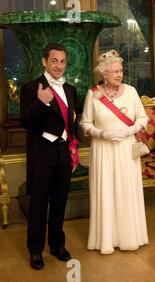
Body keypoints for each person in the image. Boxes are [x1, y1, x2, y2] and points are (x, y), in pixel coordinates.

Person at [80, 50, 149, 254]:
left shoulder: (131, 91)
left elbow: (143, 119)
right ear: (103, 74)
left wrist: (129, 130)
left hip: (126, 148)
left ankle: (130, 237)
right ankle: (107, 239)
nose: (119, 75)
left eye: (120, 71)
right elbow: (84, 123)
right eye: (114, 72)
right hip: (103, 151)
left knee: (126, 191)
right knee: (106, 192)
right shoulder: (93, 94)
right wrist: (101, 134)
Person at [20, 43, 76, 270]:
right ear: (44, 61)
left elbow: (71, 121)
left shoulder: (70, 89)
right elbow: (25, 121)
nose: (59, 66)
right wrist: (40, 102)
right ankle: (35, 250)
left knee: (60, 200)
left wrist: (73, 149)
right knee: (39, 202)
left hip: (63, 152)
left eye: (62, 61)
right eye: (54, 61)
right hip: (43, 152)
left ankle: (56, 245)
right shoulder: (31, 87)